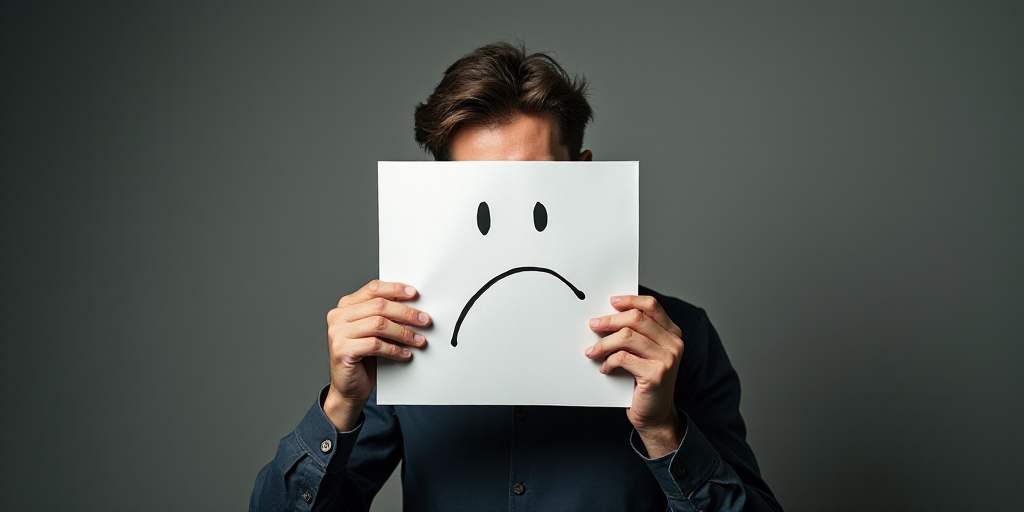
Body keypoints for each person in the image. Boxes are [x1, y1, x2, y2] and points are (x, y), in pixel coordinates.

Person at [250, 42, 782, 512]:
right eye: (484, 190)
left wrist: (664, 429)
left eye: (538, 183)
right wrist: (340, 407)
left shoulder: (679, 338)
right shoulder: (399, 342)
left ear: (587, 174)